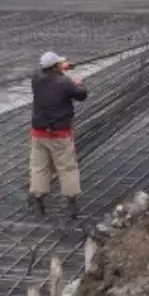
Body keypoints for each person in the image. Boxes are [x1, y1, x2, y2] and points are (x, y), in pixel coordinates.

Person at [29, 50, 88, 214]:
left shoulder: (36, 79)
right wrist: (78, 82)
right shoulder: (65, 82)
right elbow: (81, 95)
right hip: (59, 135)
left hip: (38, 133)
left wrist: (63, 67)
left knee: (39, 167)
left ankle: (39, 199)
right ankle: (72, 203)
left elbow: (48, 73)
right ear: (56, 66)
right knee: (67, 168)